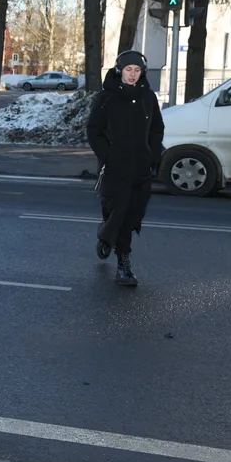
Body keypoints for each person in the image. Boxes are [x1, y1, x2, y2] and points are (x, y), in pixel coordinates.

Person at [86, 50, 164, 287]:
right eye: (128, 70)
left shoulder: (147, 97)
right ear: (120, 70)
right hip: (115, 168)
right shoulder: (106, 97)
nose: (132, 75)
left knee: (133, 215)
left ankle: (105, 234)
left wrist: (154, 153)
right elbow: (94, 130)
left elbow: (157, 128)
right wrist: (108, 155)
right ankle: (123, 265)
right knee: (120, 212)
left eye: (137, 70)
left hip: (141, 167)